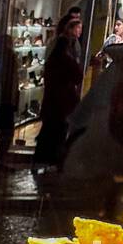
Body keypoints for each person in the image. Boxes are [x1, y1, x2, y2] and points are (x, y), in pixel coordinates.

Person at [32, 13, 83, 168]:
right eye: (78, 28)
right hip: (61, 100)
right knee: (57, 130)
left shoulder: (58, 53)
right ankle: (51, 159)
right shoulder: (65, 53)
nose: (80, 32)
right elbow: (76, 75)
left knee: (51, 129)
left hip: (55, 99)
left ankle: (44, 159)